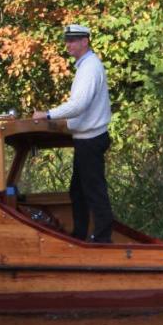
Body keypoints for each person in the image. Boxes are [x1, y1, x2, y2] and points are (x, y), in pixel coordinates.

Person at [32, 23, 114, 242]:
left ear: (84, 41)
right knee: (77, 192)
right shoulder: (86, 66)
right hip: (85, 138)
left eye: (72, 41)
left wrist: (48, 115)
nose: (67, 45)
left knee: (93, 191)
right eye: (67, 41)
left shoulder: (90, 68)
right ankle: (79, 235)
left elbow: (79, 105)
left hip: (91, 139)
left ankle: (103, 238)